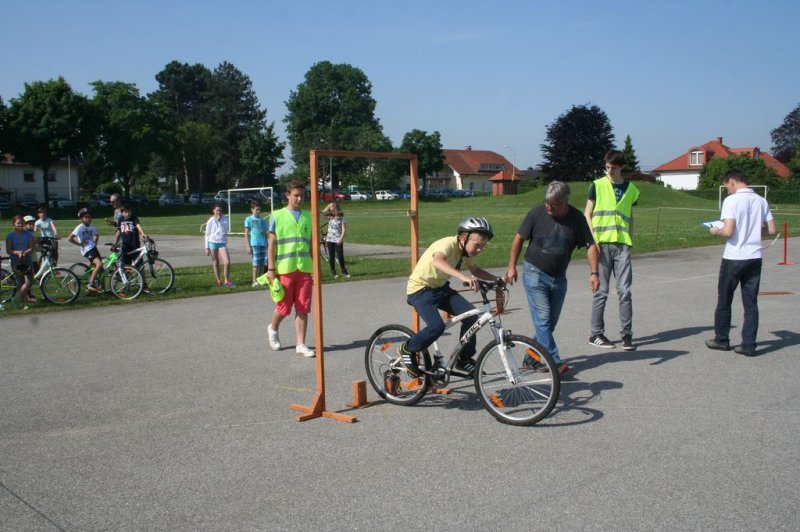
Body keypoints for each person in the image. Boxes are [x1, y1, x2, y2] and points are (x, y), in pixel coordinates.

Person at [507, 181, 600, 374]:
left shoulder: (577, 218)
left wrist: (594, 273)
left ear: (565, 201)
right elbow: (518, 239)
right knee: (542, 320)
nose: (548, 207)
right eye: (546, 203)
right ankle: (554, 361)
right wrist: (511, 267)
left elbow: (590, 245)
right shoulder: (536, 213)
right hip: (534, 272)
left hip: (559, 277)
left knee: (549, 323)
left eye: (553, 205)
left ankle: (530, 360)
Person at [400, 217, 499, 378]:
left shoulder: (464, 252)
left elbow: (475, 270)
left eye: (483, 246)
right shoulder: (447, 243)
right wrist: (463, 277)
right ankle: (407, 348)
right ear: (463, 238)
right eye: (477, 245)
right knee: (436, 327)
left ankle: (463, 358)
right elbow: (437, 261)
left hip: (440, 289)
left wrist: (497, 279)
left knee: (471, 316)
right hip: (420, 290)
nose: (480, 249)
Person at [705, 169, 776, 356]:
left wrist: (716, 231)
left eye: (727, 186)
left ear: (732, 181)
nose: (727, 189)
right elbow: (771, 229)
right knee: (751, 302)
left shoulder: (731, 201)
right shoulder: (761, 200)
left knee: (725, 299)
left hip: (734, 257)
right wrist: (753, 232)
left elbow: (728, 231)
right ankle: (749, 344)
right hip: (754, 257)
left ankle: (721, 339)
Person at [584, 149, 640, 351]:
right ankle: (596, 333)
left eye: (613, 168)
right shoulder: (597, 185)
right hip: (601, 244)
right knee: (601, 291)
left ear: (621, 167)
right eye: (607, 167)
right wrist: (593, 240)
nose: (609, 171)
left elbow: (630, 216)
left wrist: (630, 239)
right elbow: (587, 213)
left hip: (622, 245)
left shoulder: (631, 189)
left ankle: (627, 334)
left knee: (625, 291)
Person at [265, 180, 315, 357]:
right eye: (296, 195)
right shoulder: (277, 215)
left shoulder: (308, 216)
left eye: (302, 195)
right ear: (288, 195)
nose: (300, 199)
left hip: (304, 268)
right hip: (285, 268)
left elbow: (311, 244)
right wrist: (271, 268)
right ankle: (273, 328)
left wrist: (315, 269)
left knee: (303, 307)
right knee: (284, 307)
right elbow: (272, 243)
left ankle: (301, 344)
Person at [69, 208, 103, 292]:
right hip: (87, 250)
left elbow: (96, 235)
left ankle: (101, 288)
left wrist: (95, 241)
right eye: (86, 217)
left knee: (100, 268)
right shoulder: (79, 227)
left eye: (89, 217)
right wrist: (79, 244)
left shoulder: (92, 226)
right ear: (82, 218)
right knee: (99, 264)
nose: (88, 219)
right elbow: (70, 238)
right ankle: (90, 284)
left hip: (93, 248)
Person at [5, 215, 35, 308]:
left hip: (27, 259)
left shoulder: (29, 235)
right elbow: (9, 250)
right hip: (15, 261)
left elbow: (31, 248)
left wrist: (24, 253)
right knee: (20, 282)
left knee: (30, 280)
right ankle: (20, 303)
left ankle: (16, 299)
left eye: (22, 223)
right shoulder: (10, 236)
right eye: (18, 223)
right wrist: (17, 252)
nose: (20, 225)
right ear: (14, 224)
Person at [204, 204, 234, 288]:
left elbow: (226, 229)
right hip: (212, 242)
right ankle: (218, 280)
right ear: (213, 211)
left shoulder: (225, 219)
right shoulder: (210, 221)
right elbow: (207, 234)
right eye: (217, 210)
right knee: (216, 261)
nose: (219, 212)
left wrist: (219, 221)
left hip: (222, 242)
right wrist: (207, 247)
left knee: (227, 262)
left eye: (220, 210)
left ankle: (226, 280)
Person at [244, 201, 269, 287]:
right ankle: (254, 281)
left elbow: (265, 233)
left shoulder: (262, 220)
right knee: (256, 263)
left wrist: (267, 243)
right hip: (255, 244)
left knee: (263, 263)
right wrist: (248, 245)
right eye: (256, 209)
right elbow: (246, 233)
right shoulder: (249, 219)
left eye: (259, 210)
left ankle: (260, 280)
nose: (258, 211)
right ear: (252, 209)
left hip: (263, 243)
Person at [322, 202, 350, 279]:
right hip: (329, 239)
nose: (332, 208)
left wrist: (341, 239)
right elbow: (320, 214)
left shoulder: (341, 216)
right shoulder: (330, 216)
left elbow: (344, 229)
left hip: (338, 239)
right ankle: (333, 272)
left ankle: (344, 270)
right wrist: (327, 207)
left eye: (334, 207)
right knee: (331, 257)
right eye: (331, 207)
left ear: (337, 207)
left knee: (340, 256)